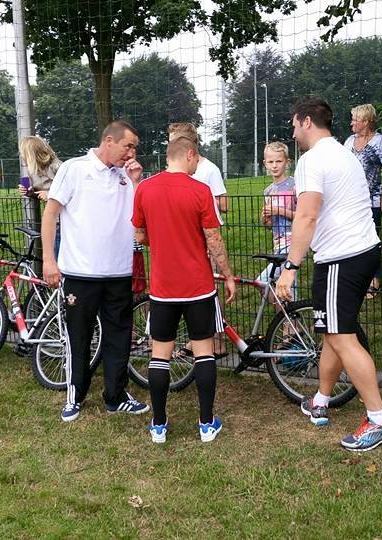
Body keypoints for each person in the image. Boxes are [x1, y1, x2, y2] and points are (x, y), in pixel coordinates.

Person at [275, 97, 382, 452]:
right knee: (332, 330)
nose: (294, 130)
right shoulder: (344, 152)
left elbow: (307, 216)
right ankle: (320, 400)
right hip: (364, 252)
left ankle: (380, 420)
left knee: (343, 336)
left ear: (307, 122)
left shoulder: (313, 160)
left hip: (340, 259)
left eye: (295, 124)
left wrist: (291, 267)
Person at [132, 132, 237, 444]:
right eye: (197, 159)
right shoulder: (200, 190)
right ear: (189, 154)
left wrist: (161, 241)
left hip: (162, 289)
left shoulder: (145, 189)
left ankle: (159, 425)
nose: (197, 164)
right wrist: (228, 274)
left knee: (159, 355)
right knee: (203, 352)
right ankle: (206, 424)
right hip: (198, 287)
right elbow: (213, 239)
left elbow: (139, 234)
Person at [41, 120, 149, 423]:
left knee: (119, 335)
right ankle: (75, 395)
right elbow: (51, 214)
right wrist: (49, 260)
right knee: (79, 336)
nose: (131, 153)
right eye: (128, 146)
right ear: (110, 140)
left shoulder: (127, 176)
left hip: (119, 273)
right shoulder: (75, 169)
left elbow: (140, 218)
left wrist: (137, 181)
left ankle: (116, 396)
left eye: (134, 148)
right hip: (80, 274)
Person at [167, 122, 230, 355]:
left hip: (205, 238)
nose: (170, 144)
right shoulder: (174, 169)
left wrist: (201, 202)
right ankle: (196, 339)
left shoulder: (209, 170)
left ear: (189, 144)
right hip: (183, 239)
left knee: (211, 288)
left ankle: (218, 339)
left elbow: (224, 204)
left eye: (175, 139)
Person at [344, 104, 382, 299]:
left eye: (355, 119)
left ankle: (374, 280)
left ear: (366, 122)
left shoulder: (380, 142)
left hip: (371, 201)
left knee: (372, 241)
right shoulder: (348, 142)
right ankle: (354, 279)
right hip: (349, 201)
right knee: (350, 240)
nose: (352, 123)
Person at [259, 141, 297, 305]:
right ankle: (289, 324)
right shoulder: (268, 190)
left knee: (262, 281)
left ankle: (289, 321)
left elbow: (303, 216)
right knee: (287, 288)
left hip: (294, 243)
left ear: (287, 162)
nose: (274, 166)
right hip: (278, 243)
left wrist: (278, 211)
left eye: (279, 161)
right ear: (265, 163)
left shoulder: (295, 185)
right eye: (270, 162)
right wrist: (265, 219)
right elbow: (268, 225)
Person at [17, 136, 63, 256]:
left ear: (31, 154)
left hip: (67, 222)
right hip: (54, 222)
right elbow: (39, 193)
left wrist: (49, 195)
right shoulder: (33, 171)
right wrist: (29, 192)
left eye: (23, 153)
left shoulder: (57, 167)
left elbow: (71, 191)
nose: (21, 156)